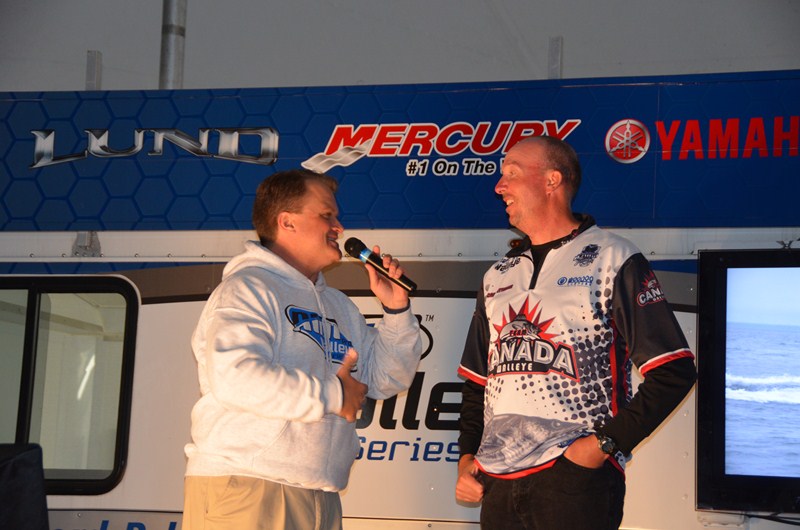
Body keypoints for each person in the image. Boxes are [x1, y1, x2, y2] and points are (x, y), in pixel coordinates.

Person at [455, 136, 697, 529]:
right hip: (497, 483)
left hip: (573, 481)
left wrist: (601, 446)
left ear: (552, 180)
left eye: (511, 173)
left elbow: (674, 370)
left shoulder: (612, 257)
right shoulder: (497, 275)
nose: (499, 186)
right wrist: (467, 457)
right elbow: (476, 383)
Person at [183, 168, 422, 530]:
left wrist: (397, 311)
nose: (339, 227)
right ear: (287, 222)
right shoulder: (247, 288)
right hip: (248, 488)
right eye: (327, 215)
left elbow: (386, 378)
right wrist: (333, 394)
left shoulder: (339, 306)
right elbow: (236, 377)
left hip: (319, 495)